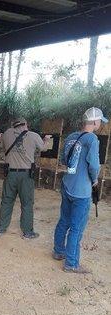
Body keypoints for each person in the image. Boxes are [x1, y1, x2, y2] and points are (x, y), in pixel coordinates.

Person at [53, 107, 107, 274]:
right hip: (82, 189)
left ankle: (58, 251)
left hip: (67, 184)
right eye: (100, 122)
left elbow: (64, 159)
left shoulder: (71, 136)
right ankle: (72, 263)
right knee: (77, 227)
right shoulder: (92, 139)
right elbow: (94, 165)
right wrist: (94, 180)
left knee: (64, 220)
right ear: (94, 122)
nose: (100, 124)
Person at [0, 118, 51, 238]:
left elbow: (3, 148)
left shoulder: (6, 134)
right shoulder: (33, 135)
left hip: (10, 174)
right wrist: (46, 140)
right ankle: (27, 231)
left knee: (6, 200)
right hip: (26, 175)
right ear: (25, 124)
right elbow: (44, 148)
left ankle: (1, 227)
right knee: (26, 203)